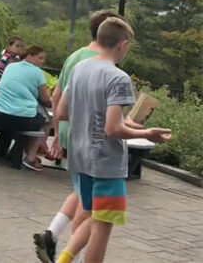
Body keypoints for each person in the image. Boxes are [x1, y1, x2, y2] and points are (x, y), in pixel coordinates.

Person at [54, 18, 171, 263]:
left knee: (92, 213)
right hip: (106, 163)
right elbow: (112, 128)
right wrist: (147, 134)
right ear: (122, 44)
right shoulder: (118, 78)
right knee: (103, 225)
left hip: (79, 157)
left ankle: (64, 259)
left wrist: (119, 122)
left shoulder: (80, 69)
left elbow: (63, 112)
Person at [34, 10, 120, 262]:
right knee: (92, 207)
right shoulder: (103, 61)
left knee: (80, 193)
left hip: (69, 130)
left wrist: (58, 133)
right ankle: (74, 255)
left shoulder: (76, 57)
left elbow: (58, 96)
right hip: (93, 138)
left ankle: (52, 233)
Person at [0, 46, 51, 171]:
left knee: (14, 120)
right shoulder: (37, 73)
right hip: (21, 119)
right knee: (44, 121)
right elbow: (45, 99)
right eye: (40, 58)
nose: (42, 61)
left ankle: (3, 151)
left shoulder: (10, 67)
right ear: (29, 55)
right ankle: (31, 157)